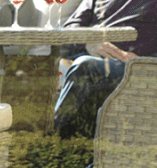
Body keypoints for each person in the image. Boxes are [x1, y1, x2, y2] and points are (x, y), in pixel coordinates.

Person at [54, 0, 157, 139]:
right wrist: (89, 42)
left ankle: (55, 139)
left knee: (86, 67)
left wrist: (141, 60)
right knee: (52, 66)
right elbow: (70, 27)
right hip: (89, 55)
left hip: (134, 65)